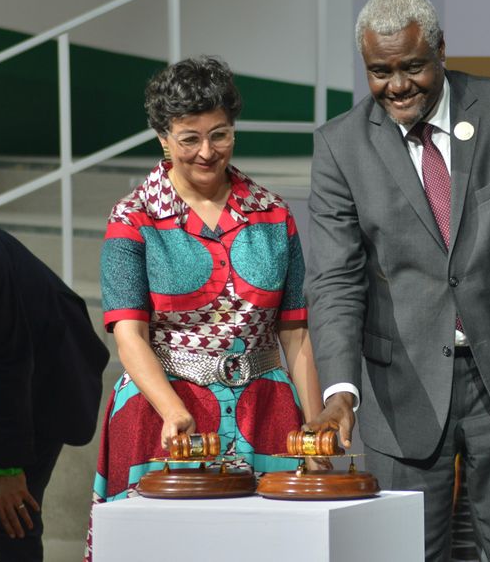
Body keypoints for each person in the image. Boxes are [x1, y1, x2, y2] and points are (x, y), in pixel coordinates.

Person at [305, 0, 490, 561]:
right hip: (400, 393)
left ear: (441, 50)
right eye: (380, 72)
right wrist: (340, 392)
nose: (397, 86)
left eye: (412, 66)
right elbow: (335, 281)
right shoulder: (340, 146)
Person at [87, 56, 324, 556]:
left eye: (220, 135)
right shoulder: (133, 217)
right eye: (189, 138)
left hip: (267, 411)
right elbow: (129, 335)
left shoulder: (273, 213)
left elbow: (295, 331)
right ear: (163, 137)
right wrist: (172, 410)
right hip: (163, 411)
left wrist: (314, 423)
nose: (206, 151)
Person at [0, 224, 109, 561]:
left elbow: (9, 364)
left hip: (45, 374)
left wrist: (9, 468)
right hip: (6, 365)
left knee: (13, 512)